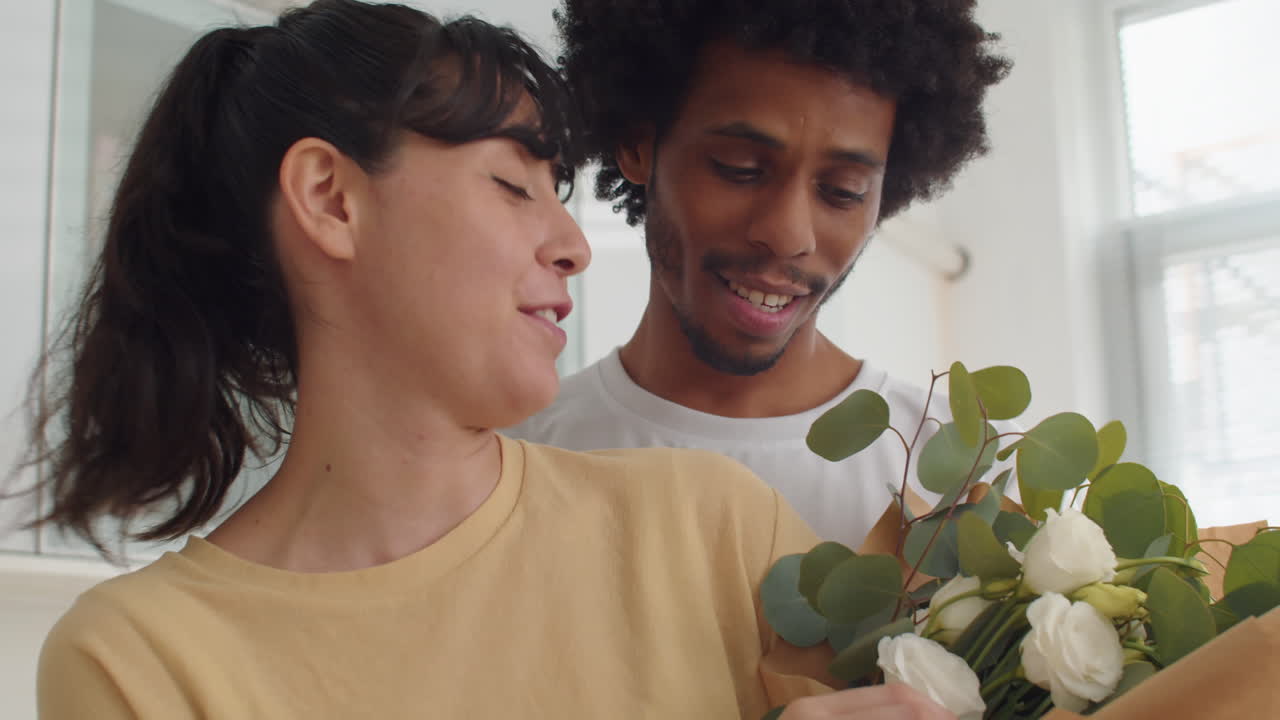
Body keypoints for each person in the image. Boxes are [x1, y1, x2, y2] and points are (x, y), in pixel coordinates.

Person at [22, 2, 955, 718]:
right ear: (331, 200)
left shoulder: (712, 528)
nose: (572, 245)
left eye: (559, 193)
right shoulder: (140, 661)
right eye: (514, 185)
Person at [507, 0, 1014, 549]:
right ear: (638, 146)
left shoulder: (972, 476)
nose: (790, 234)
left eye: (843, 191)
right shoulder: (513, 457)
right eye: (739, 170)